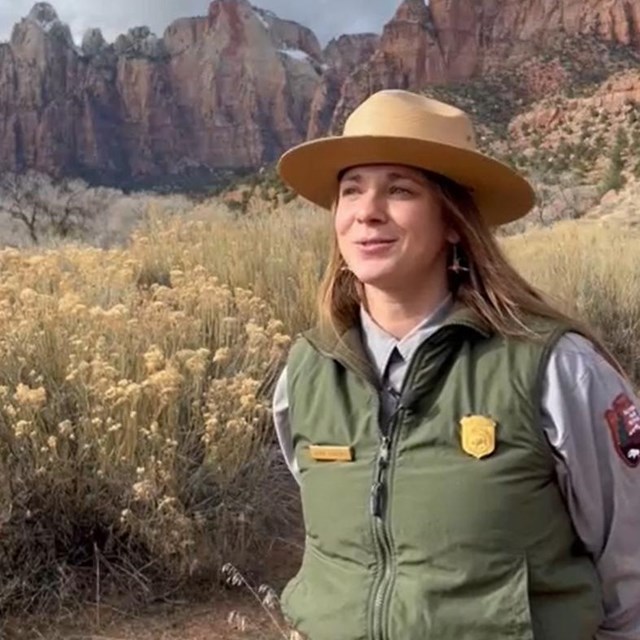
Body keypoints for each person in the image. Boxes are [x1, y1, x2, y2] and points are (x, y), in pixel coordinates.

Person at [271, 89, 640, 640]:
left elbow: (630, 564)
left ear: (451, 220)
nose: (367, 211)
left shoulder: (555, 368)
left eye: (399, 190)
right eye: (352, 191)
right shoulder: (306, 370)